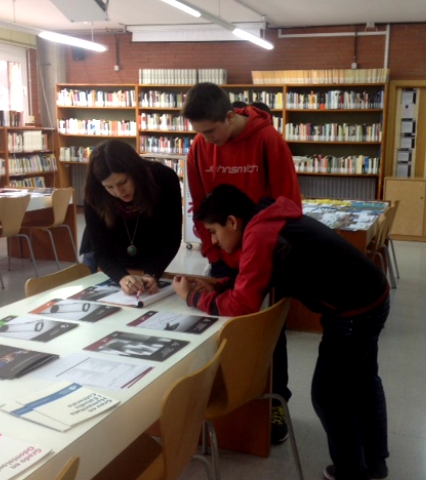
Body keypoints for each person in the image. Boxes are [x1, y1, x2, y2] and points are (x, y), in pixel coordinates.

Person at [173, 184, 390, 480]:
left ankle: (353, 472)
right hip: (371, 293)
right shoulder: (267, 217)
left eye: (213, 231)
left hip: (354, 311)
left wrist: (193, 298)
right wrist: (220, 286)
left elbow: (242, 306)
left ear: (233, 222)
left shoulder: (260, 234)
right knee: (363, 383)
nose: (213, 240)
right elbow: (258, 276)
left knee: (329, 395)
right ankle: (375, 464)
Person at [182, 82, 302, 443]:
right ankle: (223, 399)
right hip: (224, 256)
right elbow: (199, 208)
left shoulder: (267, 141)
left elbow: (289, 203)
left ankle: (274, 400)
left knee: (269, 332)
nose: (206, 139)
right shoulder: (199, 149)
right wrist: (214, 252)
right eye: (199, 133)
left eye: (211, 131)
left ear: (230, 116)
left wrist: (261, 250)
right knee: (222, 329)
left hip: (266, 255)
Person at [83, 140, 181, 296]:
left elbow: (171, 237)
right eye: (109, 187)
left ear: (135, 171)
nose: (119, 192)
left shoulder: (163, 179)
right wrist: (121, 278)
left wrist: (152, 273)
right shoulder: (95, 193)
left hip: (150, 251)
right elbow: (101, 251)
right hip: (108, 258)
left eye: (123, 182)